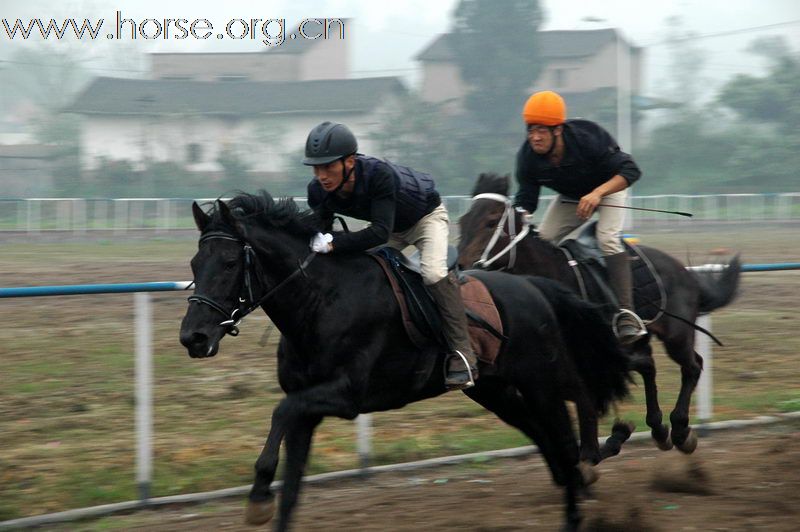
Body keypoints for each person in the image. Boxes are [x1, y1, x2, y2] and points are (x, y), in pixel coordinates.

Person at [302, 121, 478, 389]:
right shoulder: (317, 191)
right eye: (316, 168)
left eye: (328, 167)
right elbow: (324, 233)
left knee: (432, 273)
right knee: (363, 274)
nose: (321, 175)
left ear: (350, 162)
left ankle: (463, 353)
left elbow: (378, 234)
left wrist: (334, 243)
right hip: (391, 227)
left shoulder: (378, 175)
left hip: (424, 219)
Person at [514, 90, 647, 345]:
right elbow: (526, 200)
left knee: (606, 238)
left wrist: (597, 193)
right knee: (543, 240)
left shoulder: (587, 138)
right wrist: (515, 220)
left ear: (558, 131)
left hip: (609, 188)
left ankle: (627, 314)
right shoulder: (528, 158)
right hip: (572, 197)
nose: (535, 137)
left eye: (542, 130)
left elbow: (631, 170)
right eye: (531, 130)